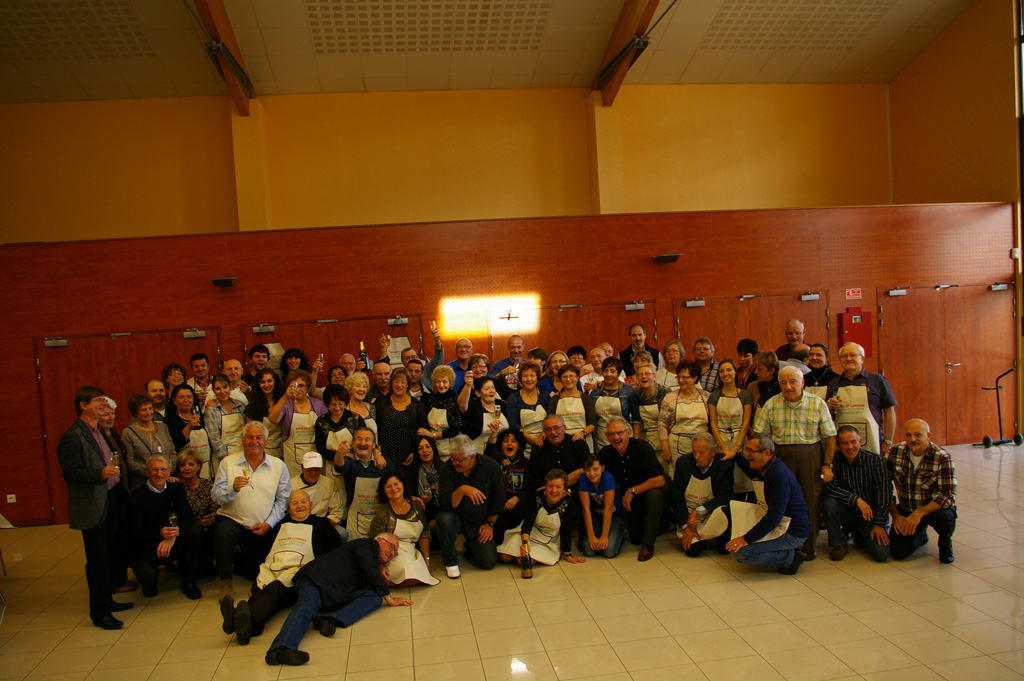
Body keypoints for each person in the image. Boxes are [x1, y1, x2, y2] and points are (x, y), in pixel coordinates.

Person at [264, 534, 410, 666]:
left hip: (335, 591)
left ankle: (330, 620)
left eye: (395, 552)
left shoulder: (371, 557)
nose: (392, 553)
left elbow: (370, 568)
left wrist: (380, 566)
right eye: (391, 547)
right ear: (378, 540)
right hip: (317, 579)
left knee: (374, 597)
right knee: (306, 607)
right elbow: (368, 567)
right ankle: (280, 648)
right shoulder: (365, 544)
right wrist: (389, 598)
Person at [58, 386, 134, 629]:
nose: (104, 405)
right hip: (93, 503)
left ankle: (108, 600)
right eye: (98, 402)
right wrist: (99, 474)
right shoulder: (73, 436)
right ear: (83, 405)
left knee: (111, 553)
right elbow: (71, 473)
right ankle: (100, 612)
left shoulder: (100, 430)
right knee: (97, 559)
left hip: (112, 498)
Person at [224, 489, 341, 645]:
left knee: (275, 588)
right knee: (262, 587)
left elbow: (336, 552)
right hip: (272, 567)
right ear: (289, 508)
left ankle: (237, 620)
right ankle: (247, 627)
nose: (300, 506)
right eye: (295, 503)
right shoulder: (279, 525)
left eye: (303, 502)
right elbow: (265, 551)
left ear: (311, 505)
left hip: (297, 572)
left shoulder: (322, 524)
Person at [753, 365, 837, 560]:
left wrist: (827, 464)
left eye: (793, 382)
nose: (788, 386)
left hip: (811, 454)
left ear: (802, 383)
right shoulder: (771, 404)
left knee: (811, 499)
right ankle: (784, 542)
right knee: (781, 499)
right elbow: (760, 435)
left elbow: (830, 436)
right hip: (781, 455)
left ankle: (808, 545)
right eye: (783, 383)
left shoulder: (817, 403)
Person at [210, 421, 291, 612]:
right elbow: (216, 496)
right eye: (250, 437)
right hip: (232, 520)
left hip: (261, 525)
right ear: (243, 439)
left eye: (258, 437)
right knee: (221, 533)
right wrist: (232, 489)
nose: (254, 441)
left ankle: (241, 564)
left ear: (266, 441)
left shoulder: (278, 466)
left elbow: (283, 501)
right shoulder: (227, 463)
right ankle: (225, 580)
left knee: (256, 569)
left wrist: (269, 524)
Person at [725, 433, 810, 575]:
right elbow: (751, 471)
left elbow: (774, 518)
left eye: (751, 451)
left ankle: (791, 557)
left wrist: (745, 539)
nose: (747, 454)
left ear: (766, 453)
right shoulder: (766, 467)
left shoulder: (779, 476)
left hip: (792, 531)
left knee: (744, 554)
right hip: (779, 522)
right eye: (746, 450)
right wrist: (734, 455)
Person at [129, 453, 202, 599]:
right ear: (147, 472)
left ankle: (188, 580)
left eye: (163, 470)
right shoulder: (137, 496)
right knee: (148, 576)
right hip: (148, 545)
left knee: (195, 533)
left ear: (169, 471)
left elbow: (188, 516)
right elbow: (134, 533)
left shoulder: (176, 488)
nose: (159, 474)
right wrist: (160, 534)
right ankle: (149, 583)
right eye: (154, 470)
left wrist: (173, 535)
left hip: (173, 541)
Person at [887, 418, 957, 563]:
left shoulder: (942, 458)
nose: (912, 439)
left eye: (918, 435)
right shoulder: (895, 452)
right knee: (898, 552)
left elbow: (948, 495)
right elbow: (883, 487)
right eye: (908, 435)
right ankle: (920, 535)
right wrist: (896, 515)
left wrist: (919, 513)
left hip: (933, 510)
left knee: (945, 518)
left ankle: (945, 543)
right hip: (907, 509)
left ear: (928, 436)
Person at [436, 434, 506, 578]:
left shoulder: (490, 466)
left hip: (479, 522)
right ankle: (450, 562)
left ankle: (470, 547)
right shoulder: (447, 469)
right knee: (444, 518)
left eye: (459, 460)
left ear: (472, 457)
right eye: (452, 459)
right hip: (456, 518)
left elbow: (499, 499)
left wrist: (490, 524)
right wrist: (462, 490)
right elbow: (445, 503)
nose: (454, 463)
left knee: (488, 561)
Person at [599, 416, 667, 561]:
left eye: (620, 433)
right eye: (612, 434)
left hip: (652, 490)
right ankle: (664, 520)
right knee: (636, 537)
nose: (616, 437)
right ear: (606, 436)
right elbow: (592, 472)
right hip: (633, 499)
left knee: (654, 496)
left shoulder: (642, 448)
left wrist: (632, 491)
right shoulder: (605, 454)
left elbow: (659, 480)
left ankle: (648, 545)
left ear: (629, 432)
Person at [822, 425, 891, 562]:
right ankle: (838, 544)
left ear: (860, 441)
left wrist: (879, 523)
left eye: (853, 442)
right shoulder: (833, 461)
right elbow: (829, 489)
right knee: (828, 503)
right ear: (838, 445)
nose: (850, 447)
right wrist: (856, 500)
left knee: (882, 555)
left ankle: (860, 536)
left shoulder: (875, 460)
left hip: (870, 516)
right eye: (844, 443)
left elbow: (884, 493)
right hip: (847, 513)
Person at [497, 468, 585, 569]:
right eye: (550, 486)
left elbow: (566, 530)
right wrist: (524, 543)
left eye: (558, 487)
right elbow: (528, 523)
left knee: (522, 560)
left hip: (549, 540)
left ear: (564, 490)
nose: (554, 491)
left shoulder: (570, 505)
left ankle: (531, 558)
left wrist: (568, 554)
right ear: (545, 487)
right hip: (530, 534)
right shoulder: (537, 498)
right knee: (505, 557)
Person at [826, 342, 898, 455]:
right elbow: (828, 417)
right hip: (843, 442)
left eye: (853, 355)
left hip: (873, 440)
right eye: (844, 356)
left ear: (862, 358)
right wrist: (829, 406)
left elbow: (889, 412)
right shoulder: (834, 383)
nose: (848, 359)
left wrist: (888, 441)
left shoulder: (877, 380)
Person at [368, 472, 439, 586]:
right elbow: (374, 542)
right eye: (389, 486)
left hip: (411, 549)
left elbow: (424, 534)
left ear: (403, 485)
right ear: (384, 492)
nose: (393, 489)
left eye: (396, 484)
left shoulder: (416, 506)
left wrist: (427, 560)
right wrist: (380, 566)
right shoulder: (383, 513)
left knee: (420, 574)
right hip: (391, 554)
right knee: (406, 570)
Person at [670, 433, 733, 557]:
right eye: (694, 452)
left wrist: (698, 511)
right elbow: (676, 497)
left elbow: (725, 496)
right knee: (692, 551)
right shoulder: (683, 463)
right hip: (689, 515)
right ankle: (701, 540)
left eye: (701, 453)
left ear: (713, 452)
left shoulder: (725, 465)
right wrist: (686, 526)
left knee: (724, 549)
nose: (697, 457)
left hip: (712, 512)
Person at [333, 426, 391, 539]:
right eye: (359, 439)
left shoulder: (384, 463)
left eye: (367, 439)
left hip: (380, 517)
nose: (363, 443)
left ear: (373, 445)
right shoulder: (350, 462)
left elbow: (396, 483)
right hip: (356, 520)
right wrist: (340, 453)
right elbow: (339, 466)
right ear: (353, 444)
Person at [657, 360, 711, 478]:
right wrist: (665, 449)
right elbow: (662, 425)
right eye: (679, 377)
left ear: (695, 378)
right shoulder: (669, 398)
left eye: (685, 377)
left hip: (702, 445)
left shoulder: (706, 397)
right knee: (680, 477)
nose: (681, 380)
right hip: (677, 446)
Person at [270, 369, 327, 477]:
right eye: (293, 386)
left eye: (301, 385)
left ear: (307, 387)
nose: (297, 389)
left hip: (314, 455)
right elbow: (273, 419)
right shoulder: (286, 404)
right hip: (291, 456)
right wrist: (285, 397)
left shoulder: (318, 404)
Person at [377, 367, 429, 470]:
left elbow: (424, 432)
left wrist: (415, 452)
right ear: (391, 383)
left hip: (409, 455)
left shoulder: (417, 406)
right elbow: (375, 429)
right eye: (396, 381)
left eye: (403, 382)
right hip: (386, 454)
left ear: (408, 384)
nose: (399, 385)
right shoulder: (380, 403)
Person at [121, 393, 175, 490]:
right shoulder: (128, 433)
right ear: (135, 413)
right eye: (144, 410)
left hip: (166, 482)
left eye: (150, 408)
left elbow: (172, 452)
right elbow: (130, 462)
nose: (148, 412)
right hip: (142, 484)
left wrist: (166, 472)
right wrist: (153, 473)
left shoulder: (163, 427)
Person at [487, 428, 532, 541]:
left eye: (513, 441)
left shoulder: (525, 464)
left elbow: (528, 487)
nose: (509, 444)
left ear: (519, 446)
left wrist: (517, 498)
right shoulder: (496, 460)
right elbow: (490, 451)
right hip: (498, 501)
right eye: (506, 441)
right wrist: (493, 434)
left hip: (516, 502)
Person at [177, 450, 217, 574]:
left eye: (191, 464)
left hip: (206, 526)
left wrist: (210, 519)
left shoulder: (208, 485)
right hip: (184, 528)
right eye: (182, 465)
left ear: (199, 466)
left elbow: (217, 509)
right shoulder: (176, 486)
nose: (186, 468)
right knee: (194, 533)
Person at [291, 452, 347, 540]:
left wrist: (323, 525)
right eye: (309, 470)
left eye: (316, 470)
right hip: (299, 524)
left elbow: (336, 511)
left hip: (323, 522)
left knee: (343, 533)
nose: (313, 473)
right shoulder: (292, 485)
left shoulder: (328, 483)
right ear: (302, 468)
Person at [578, 454, 625, 558]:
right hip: (597, 515)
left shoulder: (607, 478)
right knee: (589, 550)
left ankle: (619, 536)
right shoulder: (583, 479)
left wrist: (604, 536)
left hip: (614, 515)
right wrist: (591, 536)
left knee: (609, 551)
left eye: (595, 469)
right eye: (588, 470)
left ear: (602, 468)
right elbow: (586, 509)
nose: (592, 473)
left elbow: (608, 509)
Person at [591, 357, 641, 450]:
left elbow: (636, 418)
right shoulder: (595, 392)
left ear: (619, 373)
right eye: (605, 371)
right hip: (601, 439)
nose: (608, 374)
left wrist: (636, 441)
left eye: (612, 371)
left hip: (624, 438)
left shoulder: (628, 391)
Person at [378, 321, 444, 391]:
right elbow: (383, 367)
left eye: (413, 357)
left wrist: (437, 342)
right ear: (402, 361)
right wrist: (383, 349)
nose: (411, 360)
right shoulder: (398, 374)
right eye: (407, 358)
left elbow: (437, 360)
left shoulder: (426, 370)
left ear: (417, 358)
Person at [205, 372, 248, 478]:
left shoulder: (240, 405)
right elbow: (214, 438)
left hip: (242, 453)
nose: (222, 391)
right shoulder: (211, 410)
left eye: (225, 387)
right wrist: (225, 458)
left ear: (230, 387)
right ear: (213, 391)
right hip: (223, 458)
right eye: (218, 388)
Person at [707, 359, 752, 461]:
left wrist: (736, 447)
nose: (725, 374)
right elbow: (713, 423)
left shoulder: (745, 395)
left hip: (740, 440)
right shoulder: (714, 396)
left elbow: (746, 423)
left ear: (735, 372)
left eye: (729, 370)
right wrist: (722, 447)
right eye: (721, 371)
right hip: (721, 440)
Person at [530, 415, 588, 492]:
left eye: (556, 428)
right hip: (547, 493)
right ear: (544, 432)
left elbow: (585, 471)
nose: (553, 432)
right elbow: (535, 479)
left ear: (564, 428)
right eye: (548, 429)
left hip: (575, 492)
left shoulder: (578, 444)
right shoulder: (538, 448)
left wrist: (564, 490)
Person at [506, 361, 551, 457]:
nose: (529, 379)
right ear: (520, 379)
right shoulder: (514, 398)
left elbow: (550, 417)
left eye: (532, 375)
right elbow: (513, 424)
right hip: (523, 444)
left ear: (537, 378)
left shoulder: (545, 396)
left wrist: (543, 434)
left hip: (546, 441)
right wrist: (533, 440)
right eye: (525, 376)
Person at [165, 384, 210, 476]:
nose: (186, 400)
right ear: (174, 401)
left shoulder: (201, 416)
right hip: (184, 467)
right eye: (181, 397)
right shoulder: (170, 420)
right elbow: (174, 444)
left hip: (204, 465)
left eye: (189, 397)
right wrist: (189, 426)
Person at [459, 375, 509, 455]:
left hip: (501, 452)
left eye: (493, 387)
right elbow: (462, 406)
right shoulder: (474, 406)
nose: (491, 391)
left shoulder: (501, 404)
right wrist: (468, 385)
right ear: (478, 393)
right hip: (478, 453)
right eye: (487, 389)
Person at [547, 364, 596, 445]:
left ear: (577, 378)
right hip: (561, 441)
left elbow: (592, 424)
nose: (568, 379)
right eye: (564, 377)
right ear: (561, 379)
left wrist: (582, 433)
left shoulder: (585, 398)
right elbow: (550, 422)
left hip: (583, 440)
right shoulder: (555, 399)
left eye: (571, 376)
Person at [244, 368, 286, 459]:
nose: (266, 385)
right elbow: (250, 432)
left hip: (284, 450)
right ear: (258, 384)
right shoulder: (253, 406)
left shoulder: (283, 402)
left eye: (269, 381)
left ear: (275, 382)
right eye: (262, 382)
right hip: (262, 452)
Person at [423, 365, 461, 460]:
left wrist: (433, 435)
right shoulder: (430, 399)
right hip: (433, 450)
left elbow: (456, 430)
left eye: (445, 381)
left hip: (451, 451)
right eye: (438, 381)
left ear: (450, 383)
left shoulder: (456, 399)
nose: (441, 385)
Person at [635, 362, 670, 459]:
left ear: (654, 377)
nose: (643, 377)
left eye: (647, 373)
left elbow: (667, 421)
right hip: (645, 441)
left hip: (663, 441)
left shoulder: (664, 392)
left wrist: (666, 448)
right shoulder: (636, 394)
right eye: (640, 374)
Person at [748, 351, 781, 423]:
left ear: (772, 371)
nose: (755, 372)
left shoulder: (782, 387)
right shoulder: (752, 387)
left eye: (759, 369)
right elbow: (748, 416)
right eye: (755, 368)